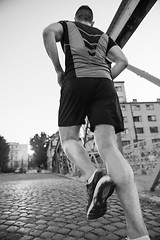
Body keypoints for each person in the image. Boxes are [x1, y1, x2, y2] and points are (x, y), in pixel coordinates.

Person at [43, 5, 150, 240]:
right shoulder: (103, 36)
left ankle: (94, 175)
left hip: (76, 79)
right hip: (104, 83)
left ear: (77, 18)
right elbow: (122, 60)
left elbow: (47, 32)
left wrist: (59, 70)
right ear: (92, 20)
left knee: (69, 138)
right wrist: (106, 76)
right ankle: (139, 236)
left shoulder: (68, 26)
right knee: (109, 147)